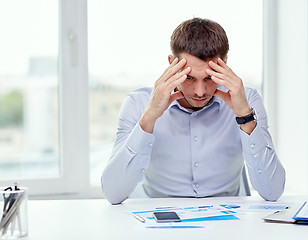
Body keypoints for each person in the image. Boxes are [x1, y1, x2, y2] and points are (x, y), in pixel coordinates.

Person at [101, 18, 285, 204]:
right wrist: (149, 118)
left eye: (209, 78)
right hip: (160, 223)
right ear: (171, 63)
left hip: (228, 224)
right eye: (188, 77)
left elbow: (273, 191)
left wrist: (245, 117)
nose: (200, 91)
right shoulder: (138, 103)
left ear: (224, 64)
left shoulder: (247, 100)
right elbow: (113, 193)